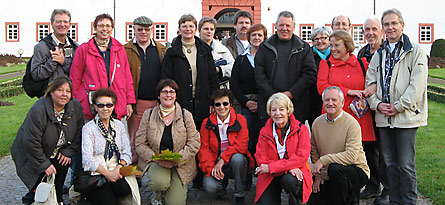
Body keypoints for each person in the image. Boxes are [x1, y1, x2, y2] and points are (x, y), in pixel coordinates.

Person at [365, 8, 428, 204]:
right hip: (384, 117)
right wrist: (377, 105)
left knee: (406, 164)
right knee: (390, 164)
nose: (390, 27)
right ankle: (394, 199)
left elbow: (416, 85)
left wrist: (399, 106)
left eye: (394, 23)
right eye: (387, 24)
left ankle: (408, 201)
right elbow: (370, 82)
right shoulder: (379, 54)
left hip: (406, 116)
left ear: (402, 25)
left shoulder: (415, 51)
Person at [11, 76, 84, 204]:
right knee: (40, 186)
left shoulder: (75, 107)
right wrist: (44, 164)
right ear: (51, 91)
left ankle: (58, 200)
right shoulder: (38, 110)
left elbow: (79, 132)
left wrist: (68, 151)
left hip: (59, 151)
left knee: (58, 183)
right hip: (34, 153)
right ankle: (30, 201)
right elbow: (30, 141)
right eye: (60, 90)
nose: (64, 94)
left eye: (67, 91)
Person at [135, 79, 201, 205]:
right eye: (164, 91)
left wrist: (177, 159)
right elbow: (139, 143)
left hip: (180, 164)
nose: (168, 95)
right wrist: (156, 158)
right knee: (159, 183)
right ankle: (157, 196)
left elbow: (194, 143)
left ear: (176, 95)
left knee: (175, 203)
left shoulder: (185, 115)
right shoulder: (148, 115)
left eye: (172, 91)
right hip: (157, 161)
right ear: (158, 95)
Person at [308, 86, 369, 205]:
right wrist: (318, 175)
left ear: (342, 103)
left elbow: (351, 156)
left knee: (335, 169)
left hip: (356, 170)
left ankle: (350, 200)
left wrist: (323, 160)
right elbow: (314, 150)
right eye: (327, 100)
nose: (330, 103)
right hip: (329, 172)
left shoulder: (352, 124)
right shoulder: (317, 122)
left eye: (334, 100)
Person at [255, 11, 317, 126]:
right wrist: (273, 96)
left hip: (296, 105)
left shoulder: (304, 48)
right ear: (276, 26)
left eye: (288, 25)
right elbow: (259, 74)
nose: (284, 28)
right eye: (281, 25)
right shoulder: (264, 47)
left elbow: (310, 74)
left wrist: (291, 93)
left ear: (293, 27)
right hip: (269, 105)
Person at [70, 13, 135, 121]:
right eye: (101, 26)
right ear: (95, 28)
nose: (105, 29)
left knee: (115, 136)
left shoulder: (119, 49)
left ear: (112, 28)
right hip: (91, 105)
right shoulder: (84, 49)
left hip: (115, 104)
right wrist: (75, 101)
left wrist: (129, 102)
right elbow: (75, 77)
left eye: (108, 26)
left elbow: (127, 77)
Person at [317, 30, 376, 147]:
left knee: (360, 157)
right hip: (335, 117)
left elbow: (375, 79)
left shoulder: (361, 64)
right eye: (331, 45)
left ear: (347, 46)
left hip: (359, 118)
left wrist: (372, 87)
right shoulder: (326, 64)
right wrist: (348, 91)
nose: (332, 49)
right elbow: (322, 87)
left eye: (337, 45)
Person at [81, 88, 140, 204]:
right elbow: (87, 159)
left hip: (116, 167)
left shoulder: (119, 126)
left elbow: (127, 152)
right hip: (98, 171)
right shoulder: (88, 128)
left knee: (125, 189)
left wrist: (117, 169)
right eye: (101, 105)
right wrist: (108, 174)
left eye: (109, 105)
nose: (105, 109)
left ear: (113, 106)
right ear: (95, 107)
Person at [161, 14, 219, 129]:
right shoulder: (172, 52)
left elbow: (212, 78)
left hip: (202, 102)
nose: (188, 29)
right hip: (179, 103)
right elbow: (166, 78)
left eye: (191, 26)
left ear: (196, 29)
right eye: (184, 26)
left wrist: (213, 101)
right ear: (179, 29)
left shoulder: (205, 51)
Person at [198, 89, 254, 205]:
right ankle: (221, 187)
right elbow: (204, 149)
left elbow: (242, 145)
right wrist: (211, 169)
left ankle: (240, 193)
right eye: (217, 104)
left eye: (225, 103)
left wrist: (223, 159)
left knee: (238, 158)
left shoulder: (240, 120)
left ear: (231, 105)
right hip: (215, 162)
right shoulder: (206, 123)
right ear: (213, 107)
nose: (221, 107)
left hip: (233, 161)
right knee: (210, 187)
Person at [254, 93, 312, 205]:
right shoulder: (264, 131)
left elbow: (301, 158)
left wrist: (273, 167)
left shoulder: (301, 129)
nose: (277, 113)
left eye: (281, 109)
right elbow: (261, 158)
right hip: (271, 175)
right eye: (274, 110)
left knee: (290, 180)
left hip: (290, 173)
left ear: (288, 111)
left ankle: (295, 201)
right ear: (269, 112)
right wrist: (288, 167)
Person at [124, 16, 167, 165]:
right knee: (136, 139)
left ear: (151, 30)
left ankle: (155, 169)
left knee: (157, 137)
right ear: (134, 29)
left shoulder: (161, 49)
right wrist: (128, 102)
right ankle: (136, 171)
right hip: (137, 102)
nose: (143, 32)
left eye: (147, 29)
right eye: (140, 29)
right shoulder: (126, 49)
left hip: (157, 102)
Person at [357, 16, 389, 204]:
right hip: (366, 110)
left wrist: (375, 88)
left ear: (381, 32)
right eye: (367, 29)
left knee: (385, 151)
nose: (370, 33)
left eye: (374, 29)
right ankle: (372, 184)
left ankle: (387, 188)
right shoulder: (362, 52)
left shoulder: (387, 52)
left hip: (384, 108)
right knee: (369, 149)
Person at [230, 23, 267, 157]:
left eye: (260, 35)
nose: (257, 37)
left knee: (263, 137)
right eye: (254, 35)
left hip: (265, 103)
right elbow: (233, 83)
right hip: (245, 104)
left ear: (264, 37)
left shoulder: (269, 59)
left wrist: (262, 102)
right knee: (247, 138)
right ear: (249, 37)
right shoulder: (241, 59)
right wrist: (246, 102)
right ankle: (248, 168)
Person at [30, 9, 78, 96]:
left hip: (71, 95)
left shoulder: (75, 47)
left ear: (69, 25)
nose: (62, 25)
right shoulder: (41, 47)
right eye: (58, 21)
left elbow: (79, 72)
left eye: (65, 22)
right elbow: (36, 74)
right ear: (52, 23)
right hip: (49, 96)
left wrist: (64, 62)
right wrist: (53, 61)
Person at [198, 17, 235, 88]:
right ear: (199, 31)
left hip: (219, 89)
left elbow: (233, 67)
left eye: (212, 29)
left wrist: (219, 69)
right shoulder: (193, 48)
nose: (209, 31)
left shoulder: (222, 49)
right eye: (206, 29)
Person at [308, 26, 331, 125]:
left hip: (332, 96)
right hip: (314, 98)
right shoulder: (308, 54)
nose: (320, 41)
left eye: (323, 38)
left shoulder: (335, 53)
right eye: (316, 39)